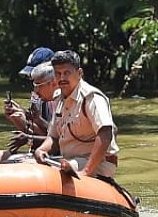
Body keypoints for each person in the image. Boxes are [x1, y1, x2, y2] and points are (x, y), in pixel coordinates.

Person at [32, 50, 119, 178]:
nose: (62, 78)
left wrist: (85, 172)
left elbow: (105, 134)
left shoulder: (92, 98)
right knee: (31, 164)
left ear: (79, 73)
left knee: (60, 173)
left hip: (99, 163)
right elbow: (54, 137)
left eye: (66, 73)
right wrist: (41, 150)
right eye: (58, 74)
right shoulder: (59, 99)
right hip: (70, 160)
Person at [5, 46, 54, 133]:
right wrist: (19, 117)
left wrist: (25, 122)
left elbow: (56, 136)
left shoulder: (63, 98)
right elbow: (37, 135)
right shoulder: (36, 96)